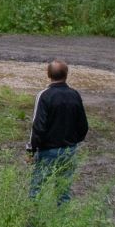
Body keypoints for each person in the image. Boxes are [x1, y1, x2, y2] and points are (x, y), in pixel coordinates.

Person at [25, 60, 90, 203]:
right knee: (63, 190)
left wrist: (31, 150)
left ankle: (32, 223)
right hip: (69, 149)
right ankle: (61, 222)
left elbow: (37, 126)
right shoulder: (75, 95)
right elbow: (83, 125)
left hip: (47, 150)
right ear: (66, 74)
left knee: (37, 189)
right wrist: (73, 141)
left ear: (48, 74)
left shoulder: (44, 95)